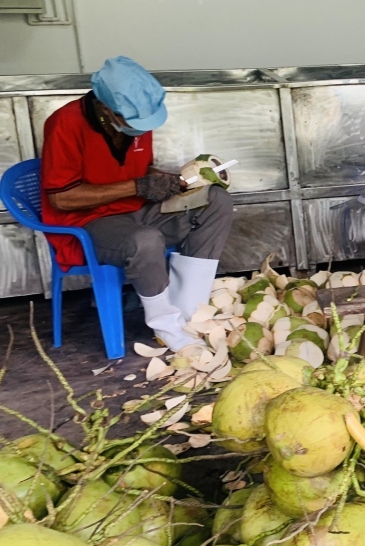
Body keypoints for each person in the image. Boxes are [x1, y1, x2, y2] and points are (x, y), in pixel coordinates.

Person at [40, 56, 233, 352]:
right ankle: (166, 325)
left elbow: (138, 171)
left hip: (138, 209)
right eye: (135, 123)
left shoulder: (136, 121)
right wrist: (138, 186)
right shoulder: (64, 124)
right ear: (107, 110)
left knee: (215, 200)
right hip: (88, 224)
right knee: (144, 240)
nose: (142, 130)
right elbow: (62, 197)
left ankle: (188, 309)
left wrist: (172, 181)